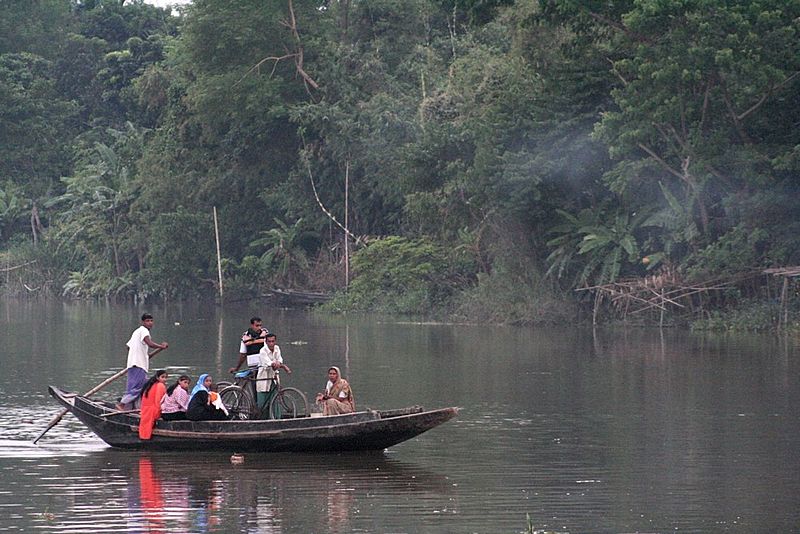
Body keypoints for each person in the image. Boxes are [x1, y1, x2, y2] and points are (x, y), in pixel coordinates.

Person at [120, 313, 169, 410]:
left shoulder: (136, 332)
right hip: (138, 364)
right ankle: (122, 404)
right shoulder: (143, 330)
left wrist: (144, 356)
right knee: (137, 387)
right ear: (143, 322)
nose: (150, 323)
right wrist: (161, 346)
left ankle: (131, 407)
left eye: (151, 321)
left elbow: (128, 347)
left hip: (133, 363)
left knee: (133, 386)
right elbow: (149, 343)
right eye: (147, 321)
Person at [256, 333, 292, 415]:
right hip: (264, 377)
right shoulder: (262, 351)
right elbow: (269, 363)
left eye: (273, 341)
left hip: (273, 377)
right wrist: (282, 366)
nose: (271, 344)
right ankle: (262, 420)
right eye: (269, 342)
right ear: (266, 342)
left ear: (275, 341)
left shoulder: (277, 348)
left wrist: (279, 363)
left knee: (276, 399)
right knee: (262, 403)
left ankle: (276, 418)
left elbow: (279, 359)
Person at [139, 369, 168, 440]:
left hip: (145, 411)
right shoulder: (160, 385)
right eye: (163, 377)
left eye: (166, 377)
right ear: (158, 378)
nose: (165, 379)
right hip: (153, 411)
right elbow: (159, 402)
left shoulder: (149, 385)